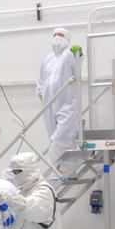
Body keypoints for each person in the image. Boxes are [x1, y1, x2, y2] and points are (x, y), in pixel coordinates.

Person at [37, 27, 83, 171]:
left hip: (66, 102)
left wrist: (78, 53)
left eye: (61, 35)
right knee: (52, 135)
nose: (57, 37)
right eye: (55, 34)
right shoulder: (47, 59)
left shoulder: (69, 54)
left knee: (63, 135)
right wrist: (40, 94)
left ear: (67, 38)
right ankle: (59, 167)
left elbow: (77, 67)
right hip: (48, 104)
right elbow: (40, 80)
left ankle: (55, 164)